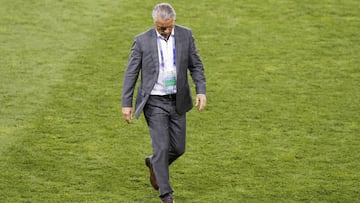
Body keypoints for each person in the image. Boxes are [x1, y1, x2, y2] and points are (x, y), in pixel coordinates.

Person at [121, 3, 206, 203]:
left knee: (178, 148)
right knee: (161, 147)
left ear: (173, 21)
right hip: (154, 101)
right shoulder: (141, 41)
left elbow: (196, 65)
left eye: (169, 27)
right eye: (161, 28)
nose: (166, 31)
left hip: (178, 100)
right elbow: (131, 72)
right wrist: (127, 103)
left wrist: (201, 90)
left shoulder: (186, 35)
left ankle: (153, 163)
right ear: (155, 23)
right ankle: (166, 195)